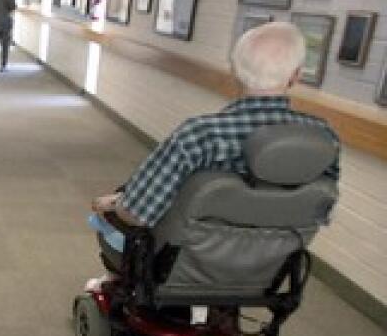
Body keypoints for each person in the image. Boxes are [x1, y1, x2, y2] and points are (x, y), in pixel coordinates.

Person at [90, 22, 341, 247]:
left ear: (234, 70)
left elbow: (137, 215)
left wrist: (115, 204)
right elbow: (319, 211)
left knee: (117, 221)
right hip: (270, 266)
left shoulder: (200, 135)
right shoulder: (322, 138)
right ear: (296, 76)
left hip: (179, 263)